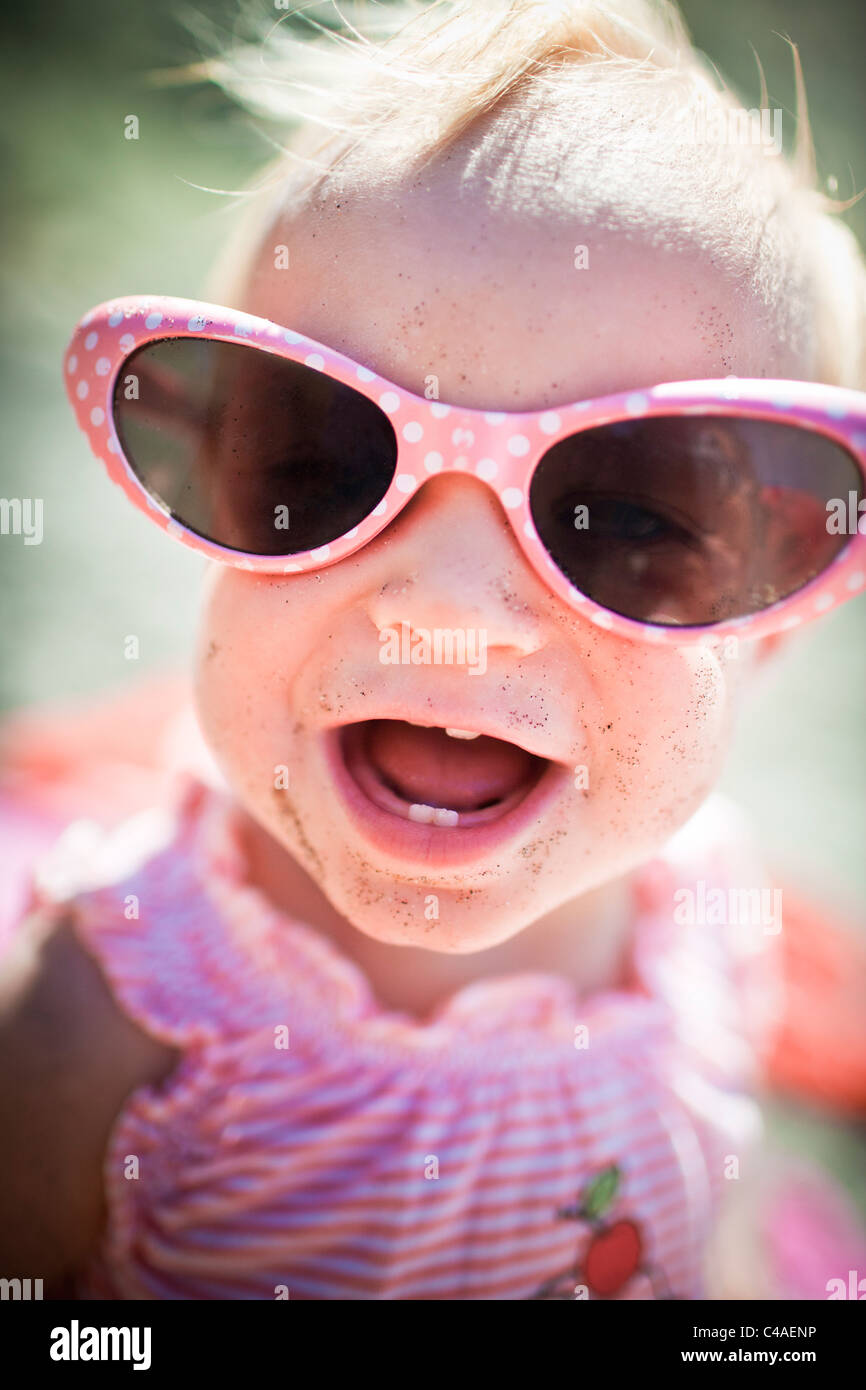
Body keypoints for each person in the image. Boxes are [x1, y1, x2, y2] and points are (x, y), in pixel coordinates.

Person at [1, 0, 865, 1300]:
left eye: (631, 516)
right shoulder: (107, 1008)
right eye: (316, 462)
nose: (449, 604)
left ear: (771, 624)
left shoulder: (714, 942)